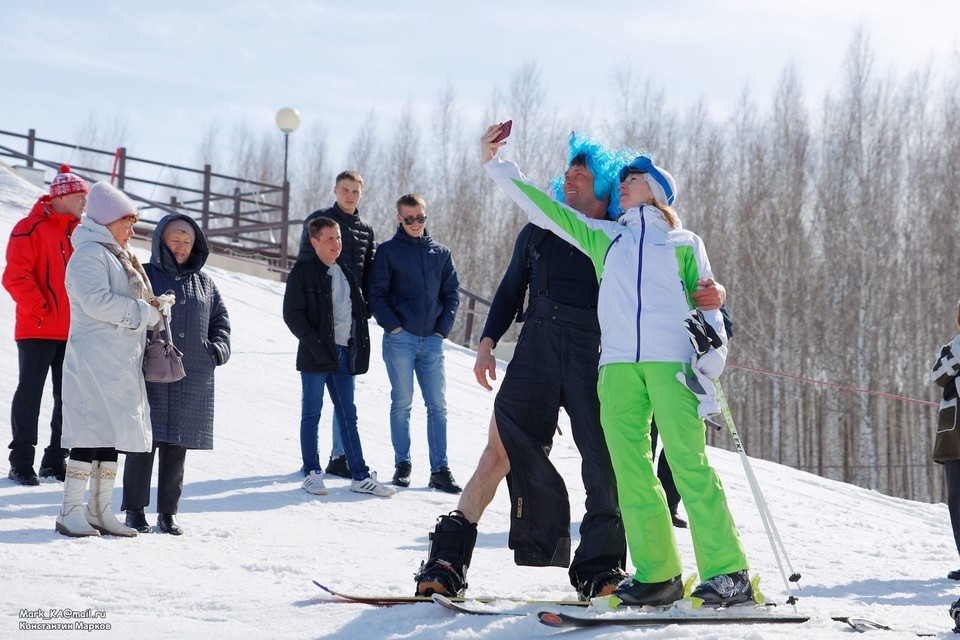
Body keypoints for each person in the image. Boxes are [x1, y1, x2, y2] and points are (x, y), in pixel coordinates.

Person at [414, 133, 727, 601]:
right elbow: (510, 288)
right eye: (568, 172)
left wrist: (716, 298)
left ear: (607, 187)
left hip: (597, 355)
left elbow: (675, 288)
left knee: (608, 467)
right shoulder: (541, 230)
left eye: (582, 172)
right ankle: (446, 561)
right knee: (498, 452)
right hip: (538, 345)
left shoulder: (623, 237)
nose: (570, 177)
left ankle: (601, 571)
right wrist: (486, 342)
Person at [57, 181, 173, 538]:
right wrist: (142, 313)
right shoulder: (89, 254)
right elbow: (96, 302)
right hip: (94, 360)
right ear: (107, 221)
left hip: (117, 361)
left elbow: (125, 299)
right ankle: (70, 511)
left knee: (110, 432)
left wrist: (156, 306)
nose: (132, 231)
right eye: (127, 222)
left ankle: (100, 510)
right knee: (89, 431)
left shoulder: (116, 254)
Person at [121, 214, 231, 535]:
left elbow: (220, 320)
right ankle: (134, 510)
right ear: (161, 242)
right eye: (175, 241)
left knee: (177, 445)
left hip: (190, 372)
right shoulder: (144, 275)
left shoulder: (205, 283)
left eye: (187, 241)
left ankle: (168, 513)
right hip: (150, 370)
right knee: (143, 442)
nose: (181, 247)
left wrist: (217, 350)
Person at [283, 216, 394, 498]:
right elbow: (292, 315)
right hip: (315, 355)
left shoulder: (346, 271)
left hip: (345, 354)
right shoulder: (303, 272)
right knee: (312, 412)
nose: (336, 244)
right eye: (330, 239)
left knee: (348, 415)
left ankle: (360, 476)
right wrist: (317, 345)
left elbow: (356, 313)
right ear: (315, 242)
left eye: (339, 238)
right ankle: (312, 473)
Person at [368, 194, 461, 493]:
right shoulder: (388, 252)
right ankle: (402, 464)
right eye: (409, 219)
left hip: (432, 340)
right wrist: (394, 327)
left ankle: (440, 470)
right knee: (402, 403)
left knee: (438, 406)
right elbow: (376, 293)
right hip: (401, 340)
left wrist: (441, 331)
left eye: (420, 217)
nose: (416, 223)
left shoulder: (441, 253)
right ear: (399, 218)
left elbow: (452, 294)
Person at [3, 165, 88, 485]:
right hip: (36, 329)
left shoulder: (83, 233)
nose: (84, 202)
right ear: (62, 196)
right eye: (80, 196)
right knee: (30, 394)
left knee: (70, 398)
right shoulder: (30, 227)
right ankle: (21, 462)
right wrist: (41, 309)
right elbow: (15, 276)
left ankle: (55, 460)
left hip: (74, 332)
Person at [297, 171, 375, 480]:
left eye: (355, 190)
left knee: (346, 403)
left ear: (361, 193)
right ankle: (311, 465)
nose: (350, 195)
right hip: (321, 323)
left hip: (349, 324)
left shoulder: (366, 229)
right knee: (314, 405)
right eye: (345, 190)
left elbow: (368, 273)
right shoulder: (319, 221)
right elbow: (305, 266)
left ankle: (341, 457)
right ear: (335, 190)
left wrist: (365, 310)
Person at [931, 297, 960, 581]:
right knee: (957, 501)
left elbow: (950, 384)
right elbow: (938, 376)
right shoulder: (950, 348)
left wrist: (956, 383)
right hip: (954, 439)